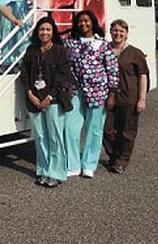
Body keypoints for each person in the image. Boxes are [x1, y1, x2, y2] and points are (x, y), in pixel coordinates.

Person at [63, 10, 119, 178]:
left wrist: (112, 94)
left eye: (86, 21)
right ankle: (73, 164)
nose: (83, 24)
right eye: (80, 21)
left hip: (97, 91)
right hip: (75, 90)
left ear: (93, 23)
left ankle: (89, 164)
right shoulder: (70, 43)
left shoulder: (102, 44)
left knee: (94, 129)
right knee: (70, 128)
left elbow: (112, 69)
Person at [20, 17, 72, 188]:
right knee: (41, 137)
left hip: (53, 100)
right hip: (34, 100)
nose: (45, 33)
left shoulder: (59, 51)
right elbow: (25, 75)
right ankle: (43, 170)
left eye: (48, 30)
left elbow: (62, 76)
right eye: (42, 29)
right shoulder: (31, 50)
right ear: (37, 32)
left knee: (55, 137)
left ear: (53, 32)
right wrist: (30, 94)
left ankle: (56, 173)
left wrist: (49, 97)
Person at [102, 19, 149, 174]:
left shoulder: (135, 53)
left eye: (121, 31)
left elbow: (142, 76)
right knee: (106, 129)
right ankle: (113, 154)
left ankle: (122, 160)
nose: (118, 34)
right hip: (107, 97)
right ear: (110, 31)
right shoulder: (105, 50)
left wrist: (142, 99)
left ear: (127, 33)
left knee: (127, 130)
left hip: (129, 97)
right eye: (115, 30)